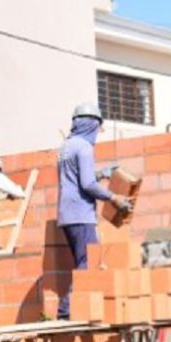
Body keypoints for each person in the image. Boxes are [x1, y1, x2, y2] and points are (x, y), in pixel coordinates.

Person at [56, 102, 131, 319]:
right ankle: (65, 311)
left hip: (66, 213)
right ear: (91, 124)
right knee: (88, 261)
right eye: (98, 127)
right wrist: (114, 197)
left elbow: (76, 179)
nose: (99, 132)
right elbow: (87, 185)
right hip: (80, 212)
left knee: (83, 261)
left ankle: (73, 309)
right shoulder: (84, 147)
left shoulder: (66, 146)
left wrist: (102, 173)